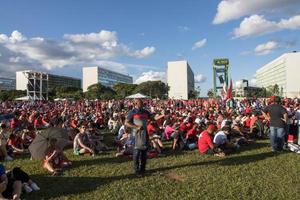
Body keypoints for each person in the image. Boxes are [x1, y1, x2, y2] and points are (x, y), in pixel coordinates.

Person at [125, 99, 164, 177]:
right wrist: (136, 127)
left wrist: (162, 115)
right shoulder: (132, 112)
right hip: (135, 134)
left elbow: (153, 119)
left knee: (144, 153)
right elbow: (126, 123)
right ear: (135, 103)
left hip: (145, 134)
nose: (142, 104)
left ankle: (143, 169)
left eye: (142, 103)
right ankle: (137, 170)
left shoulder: (146, 112)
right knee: (136, 153)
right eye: (140, 103)